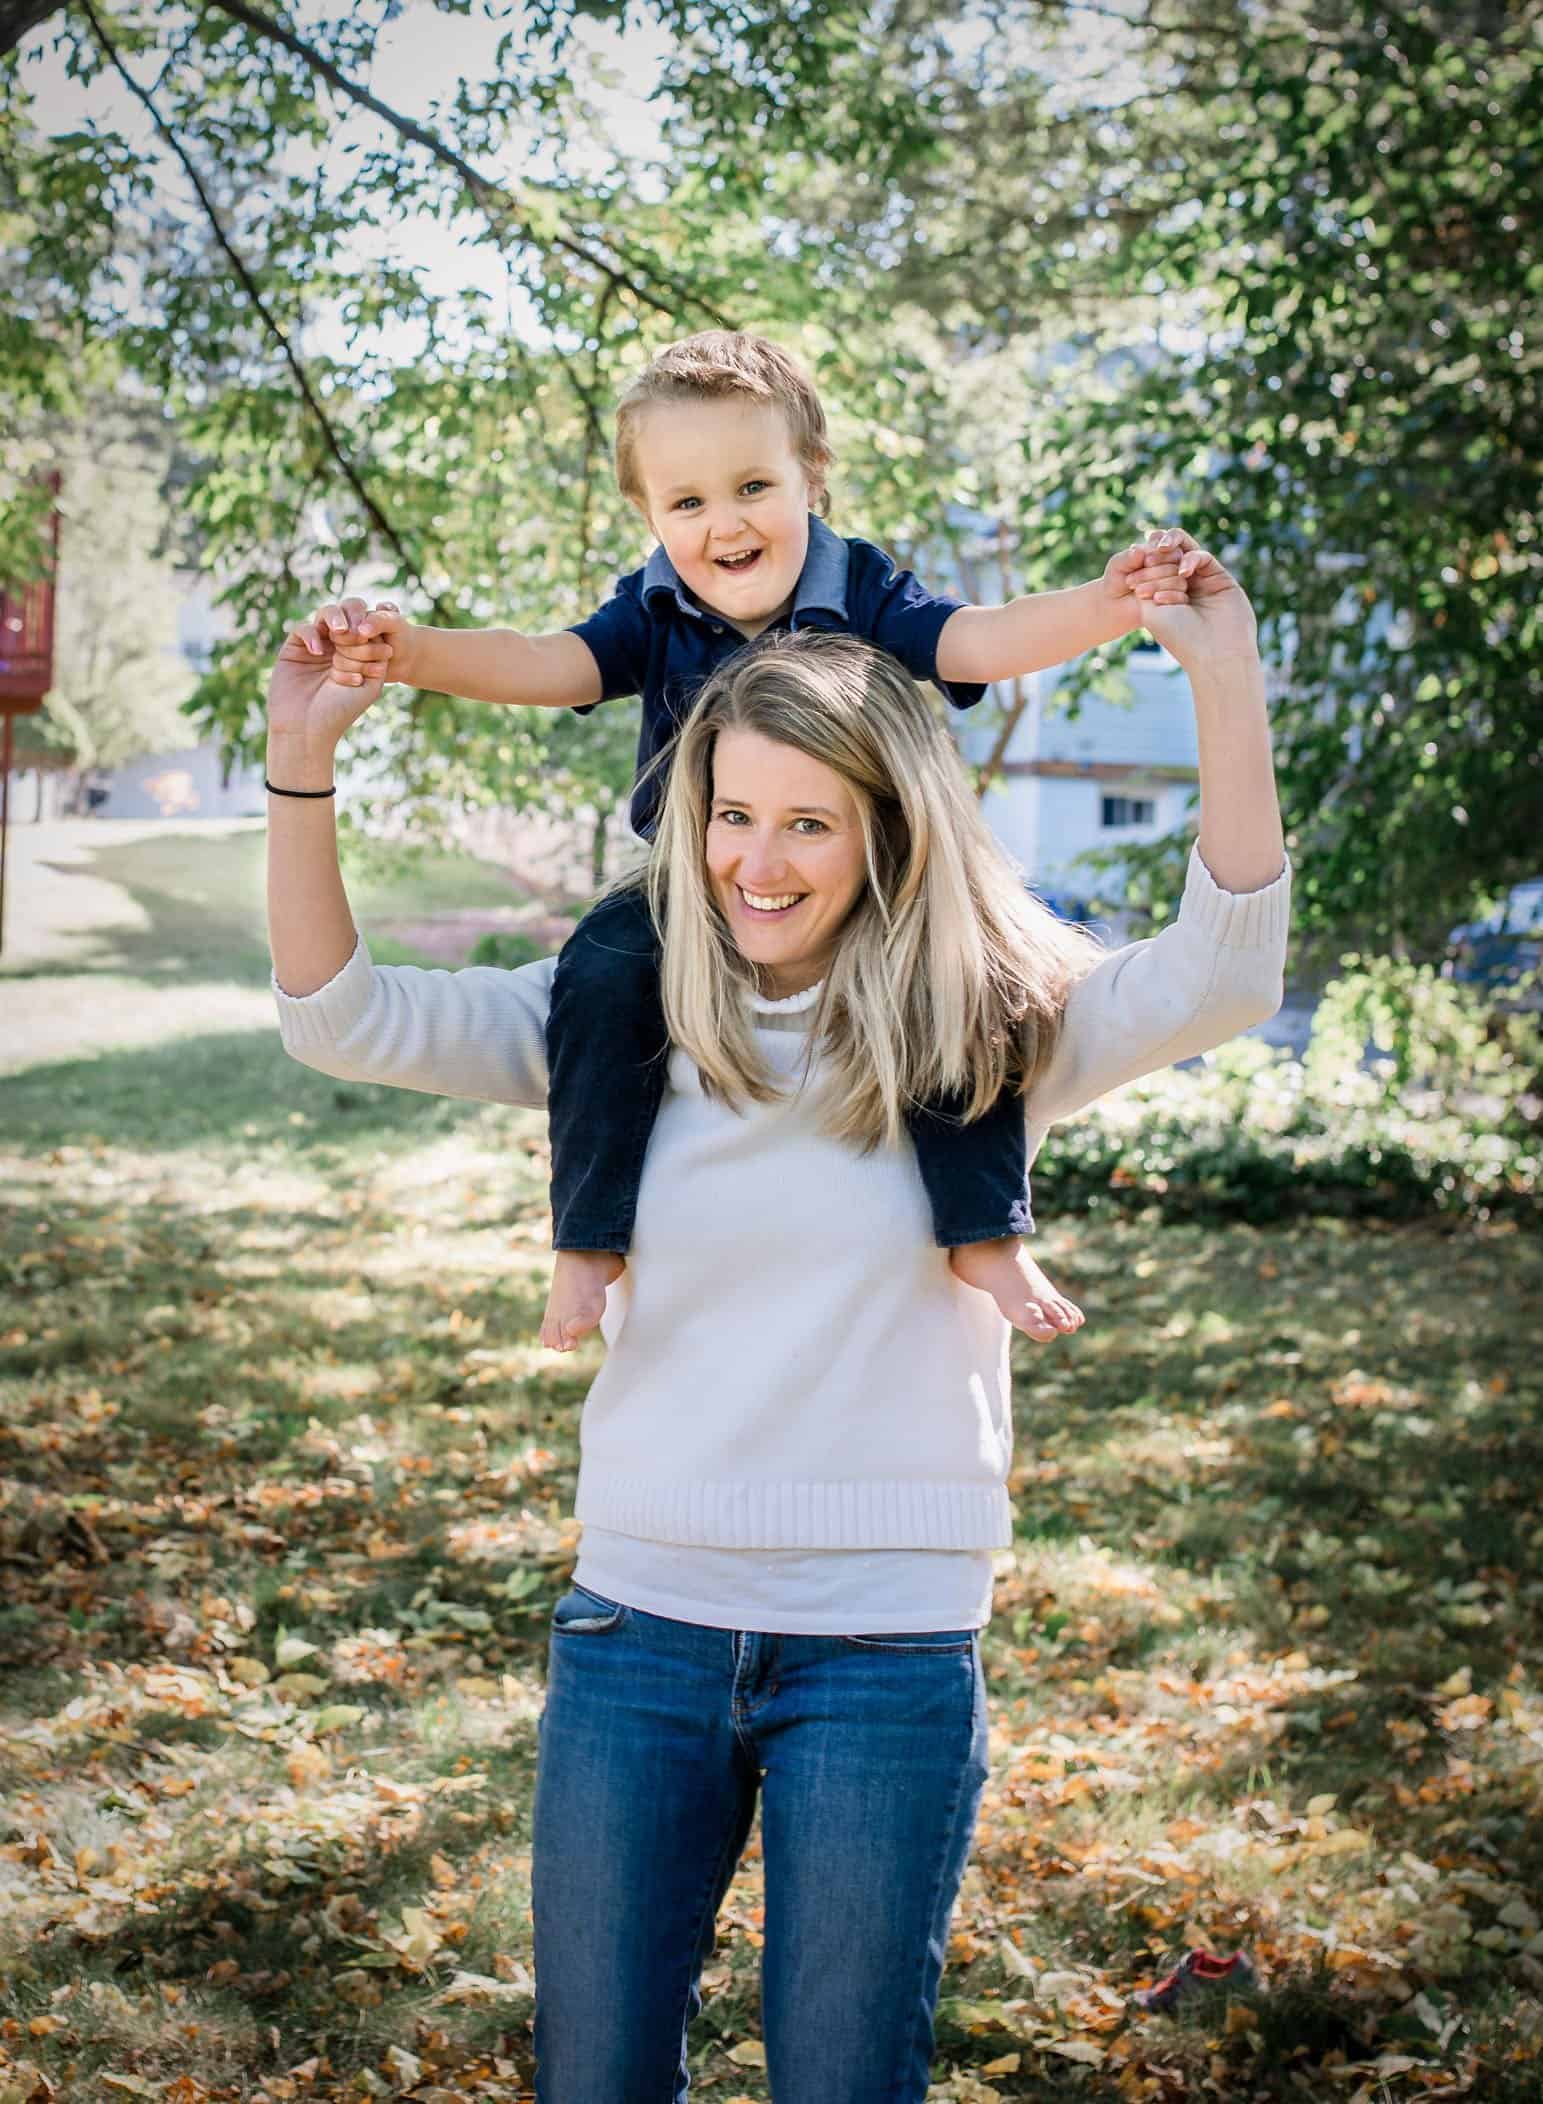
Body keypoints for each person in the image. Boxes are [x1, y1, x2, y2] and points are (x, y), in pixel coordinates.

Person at [265, 535, 1288, 2103]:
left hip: (884, 1648)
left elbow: (1221, 974)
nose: (756, 860)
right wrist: (299, 771)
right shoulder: (618, 1014)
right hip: (636, 1633)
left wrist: (1220, 679)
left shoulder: (987, 1019)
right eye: (731, 813)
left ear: (887, 834)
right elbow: (341, 1017)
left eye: (807, 824)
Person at [311, 331, 1201, 1357]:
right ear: (648, 517)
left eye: (750, 486)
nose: (722, 523)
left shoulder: (860, 586)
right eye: (685, 502)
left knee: (964, 987)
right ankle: (590, 1240)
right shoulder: (653, 605)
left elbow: (976, 641)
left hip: (865, 884)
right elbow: (547, 663)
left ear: (809, 479)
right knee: (598, 976)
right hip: (694, 887)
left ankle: (984, 1233)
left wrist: (1109, 603)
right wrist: (413, 652)